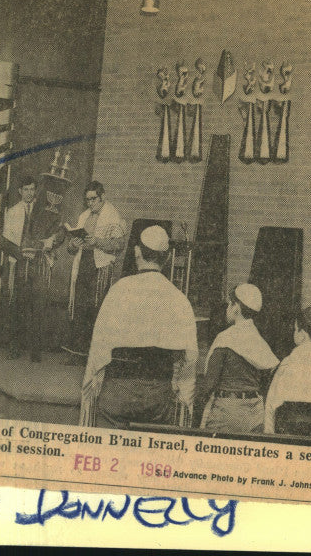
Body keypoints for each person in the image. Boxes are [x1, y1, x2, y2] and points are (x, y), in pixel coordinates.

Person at [79, 226, 198, 428]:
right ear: (167, 258)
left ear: (137, 253)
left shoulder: (120, 290)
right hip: (158, 399)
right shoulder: (180, 300)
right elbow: (190, 359)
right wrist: (184, 401)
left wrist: (89, 396)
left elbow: (98, 349)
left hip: (118, 394)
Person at [196, 283, 280, 433]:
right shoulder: (260, 341)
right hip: (256, 414)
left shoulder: (225, 339)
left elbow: (209, 383)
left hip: (227, 412)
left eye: (230, 304)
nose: (227, 309)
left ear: (236, 307)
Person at [0, 175, 64, 362]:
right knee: (18, 306)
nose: (29, 193)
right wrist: (20, 253)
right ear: (20, 191)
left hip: (38, 263)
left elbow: (54, 232)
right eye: (25, 189)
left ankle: (36, 350)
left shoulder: (43, 211)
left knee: (38, 305)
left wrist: (48, 243)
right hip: (19, 263)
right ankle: (14, 347)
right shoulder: (13, 212)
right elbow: (4, 242)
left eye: (32, 189)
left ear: (36, 191)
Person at [63, 181, 126, 365]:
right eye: (88, 200)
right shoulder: (84, 216)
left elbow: (119, 245)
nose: (90, 203)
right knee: (80, 306)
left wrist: (97, 242)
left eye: (94, 199)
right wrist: (73, 244)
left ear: (103, 197)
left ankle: (95, 355)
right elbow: (71, 248)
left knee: (96, 308)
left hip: (100, 266)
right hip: (83, 263)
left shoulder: (113, 216)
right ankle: (78, 353)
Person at [264, 306, 311, 434]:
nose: (294, 333)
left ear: (303, 335)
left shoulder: (288, 363)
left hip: (289, 433)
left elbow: (271, 406)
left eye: (295, 329)